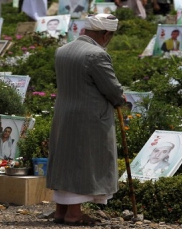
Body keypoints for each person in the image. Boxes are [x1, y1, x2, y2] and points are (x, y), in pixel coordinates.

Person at [46, 14, 126, 226]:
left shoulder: (63, 50)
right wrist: (121, 97)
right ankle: (74, 214)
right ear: (106, 34)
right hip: (89, 118)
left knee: (66, 161)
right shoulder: (96, 55)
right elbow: (111, 88)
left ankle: (60, 211)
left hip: (64, 114)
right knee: (83, 162)